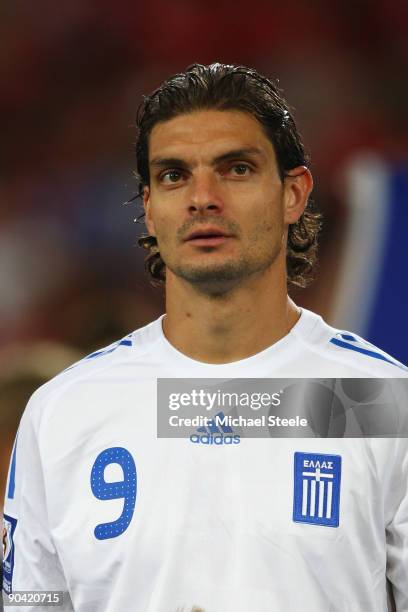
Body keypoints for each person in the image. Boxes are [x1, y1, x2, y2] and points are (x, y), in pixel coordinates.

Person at [2, 63, 408, 612]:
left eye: (236, 169)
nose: (202, 198)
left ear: (293, 193)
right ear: (149, 207)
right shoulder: (64, 409)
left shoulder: (376, 399)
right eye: (173, 175)